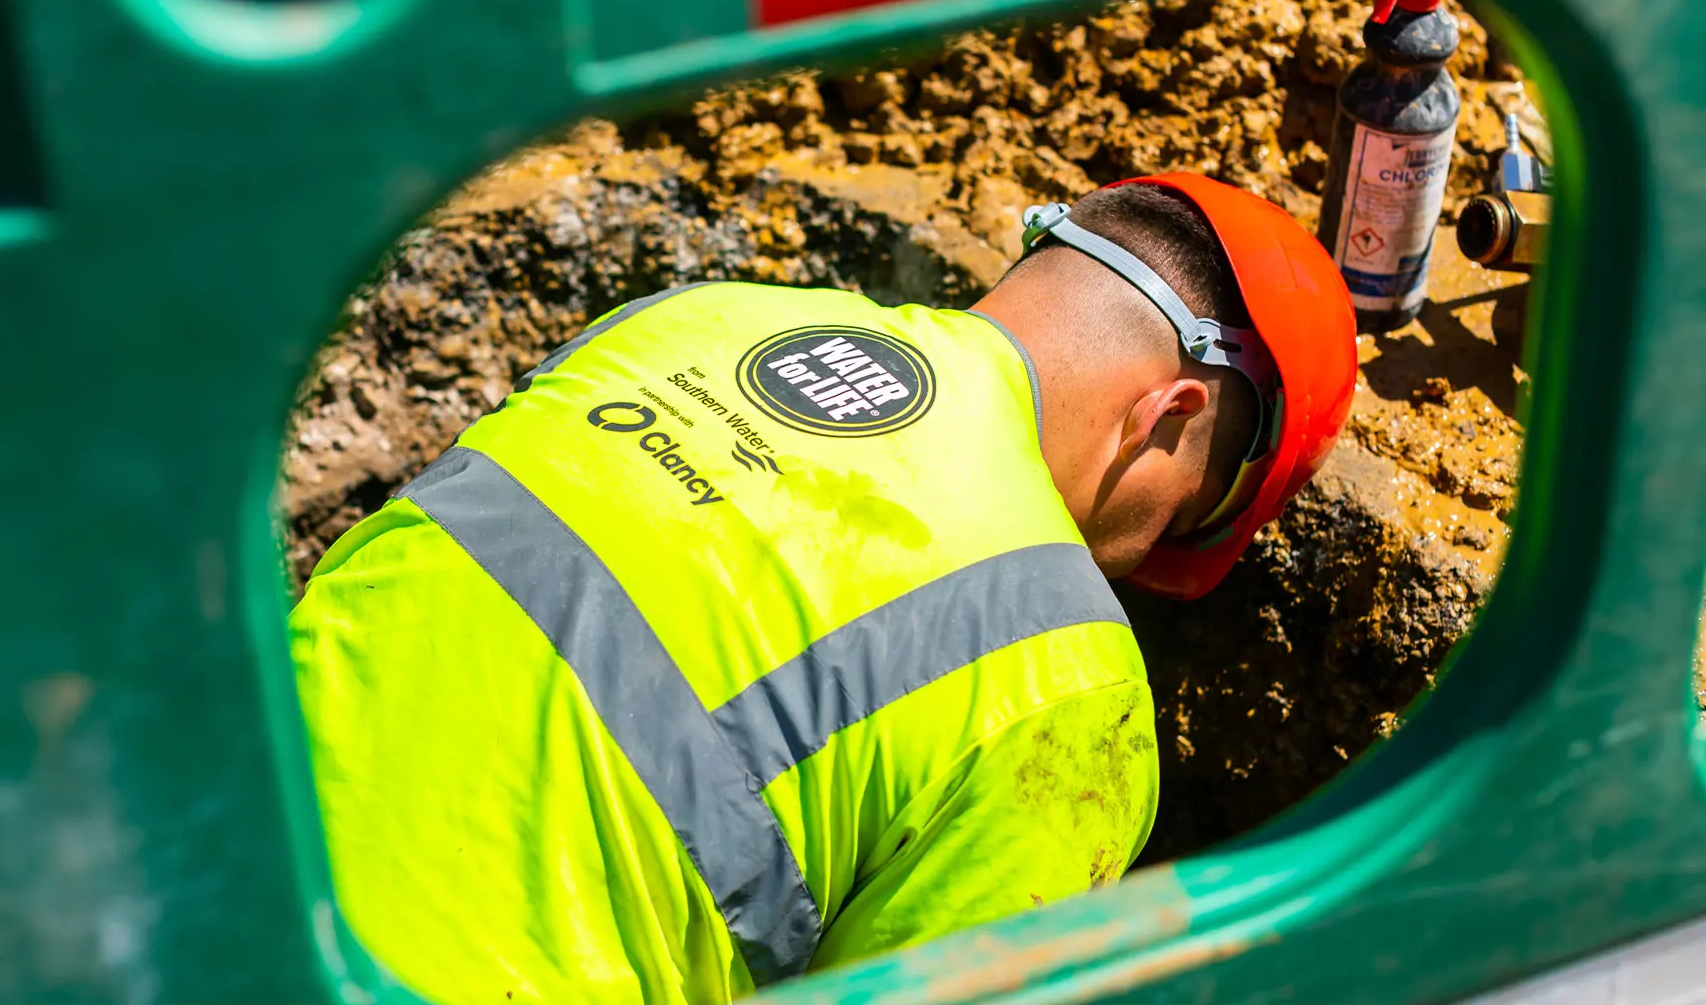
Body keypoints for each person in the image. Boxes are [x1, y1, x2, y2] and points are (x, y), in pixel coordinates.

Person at [287, 172, 1357, 1003]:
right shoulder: (1072, 678)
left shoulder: (692, 318)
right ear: (1164, 417)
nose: (1137, 557)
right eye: (1185, 515)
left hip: (182, 873)